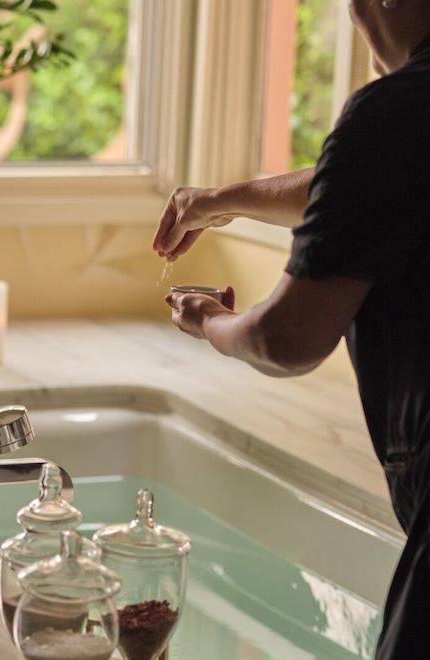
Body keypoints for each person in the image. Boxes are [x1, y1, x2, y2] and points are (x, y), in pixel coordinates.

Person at [153, 1, 430, 657]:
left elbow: (287, 339)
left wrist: (209, 320)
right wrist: (220, 201)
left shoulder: (393, 110)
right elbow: (367, 186)